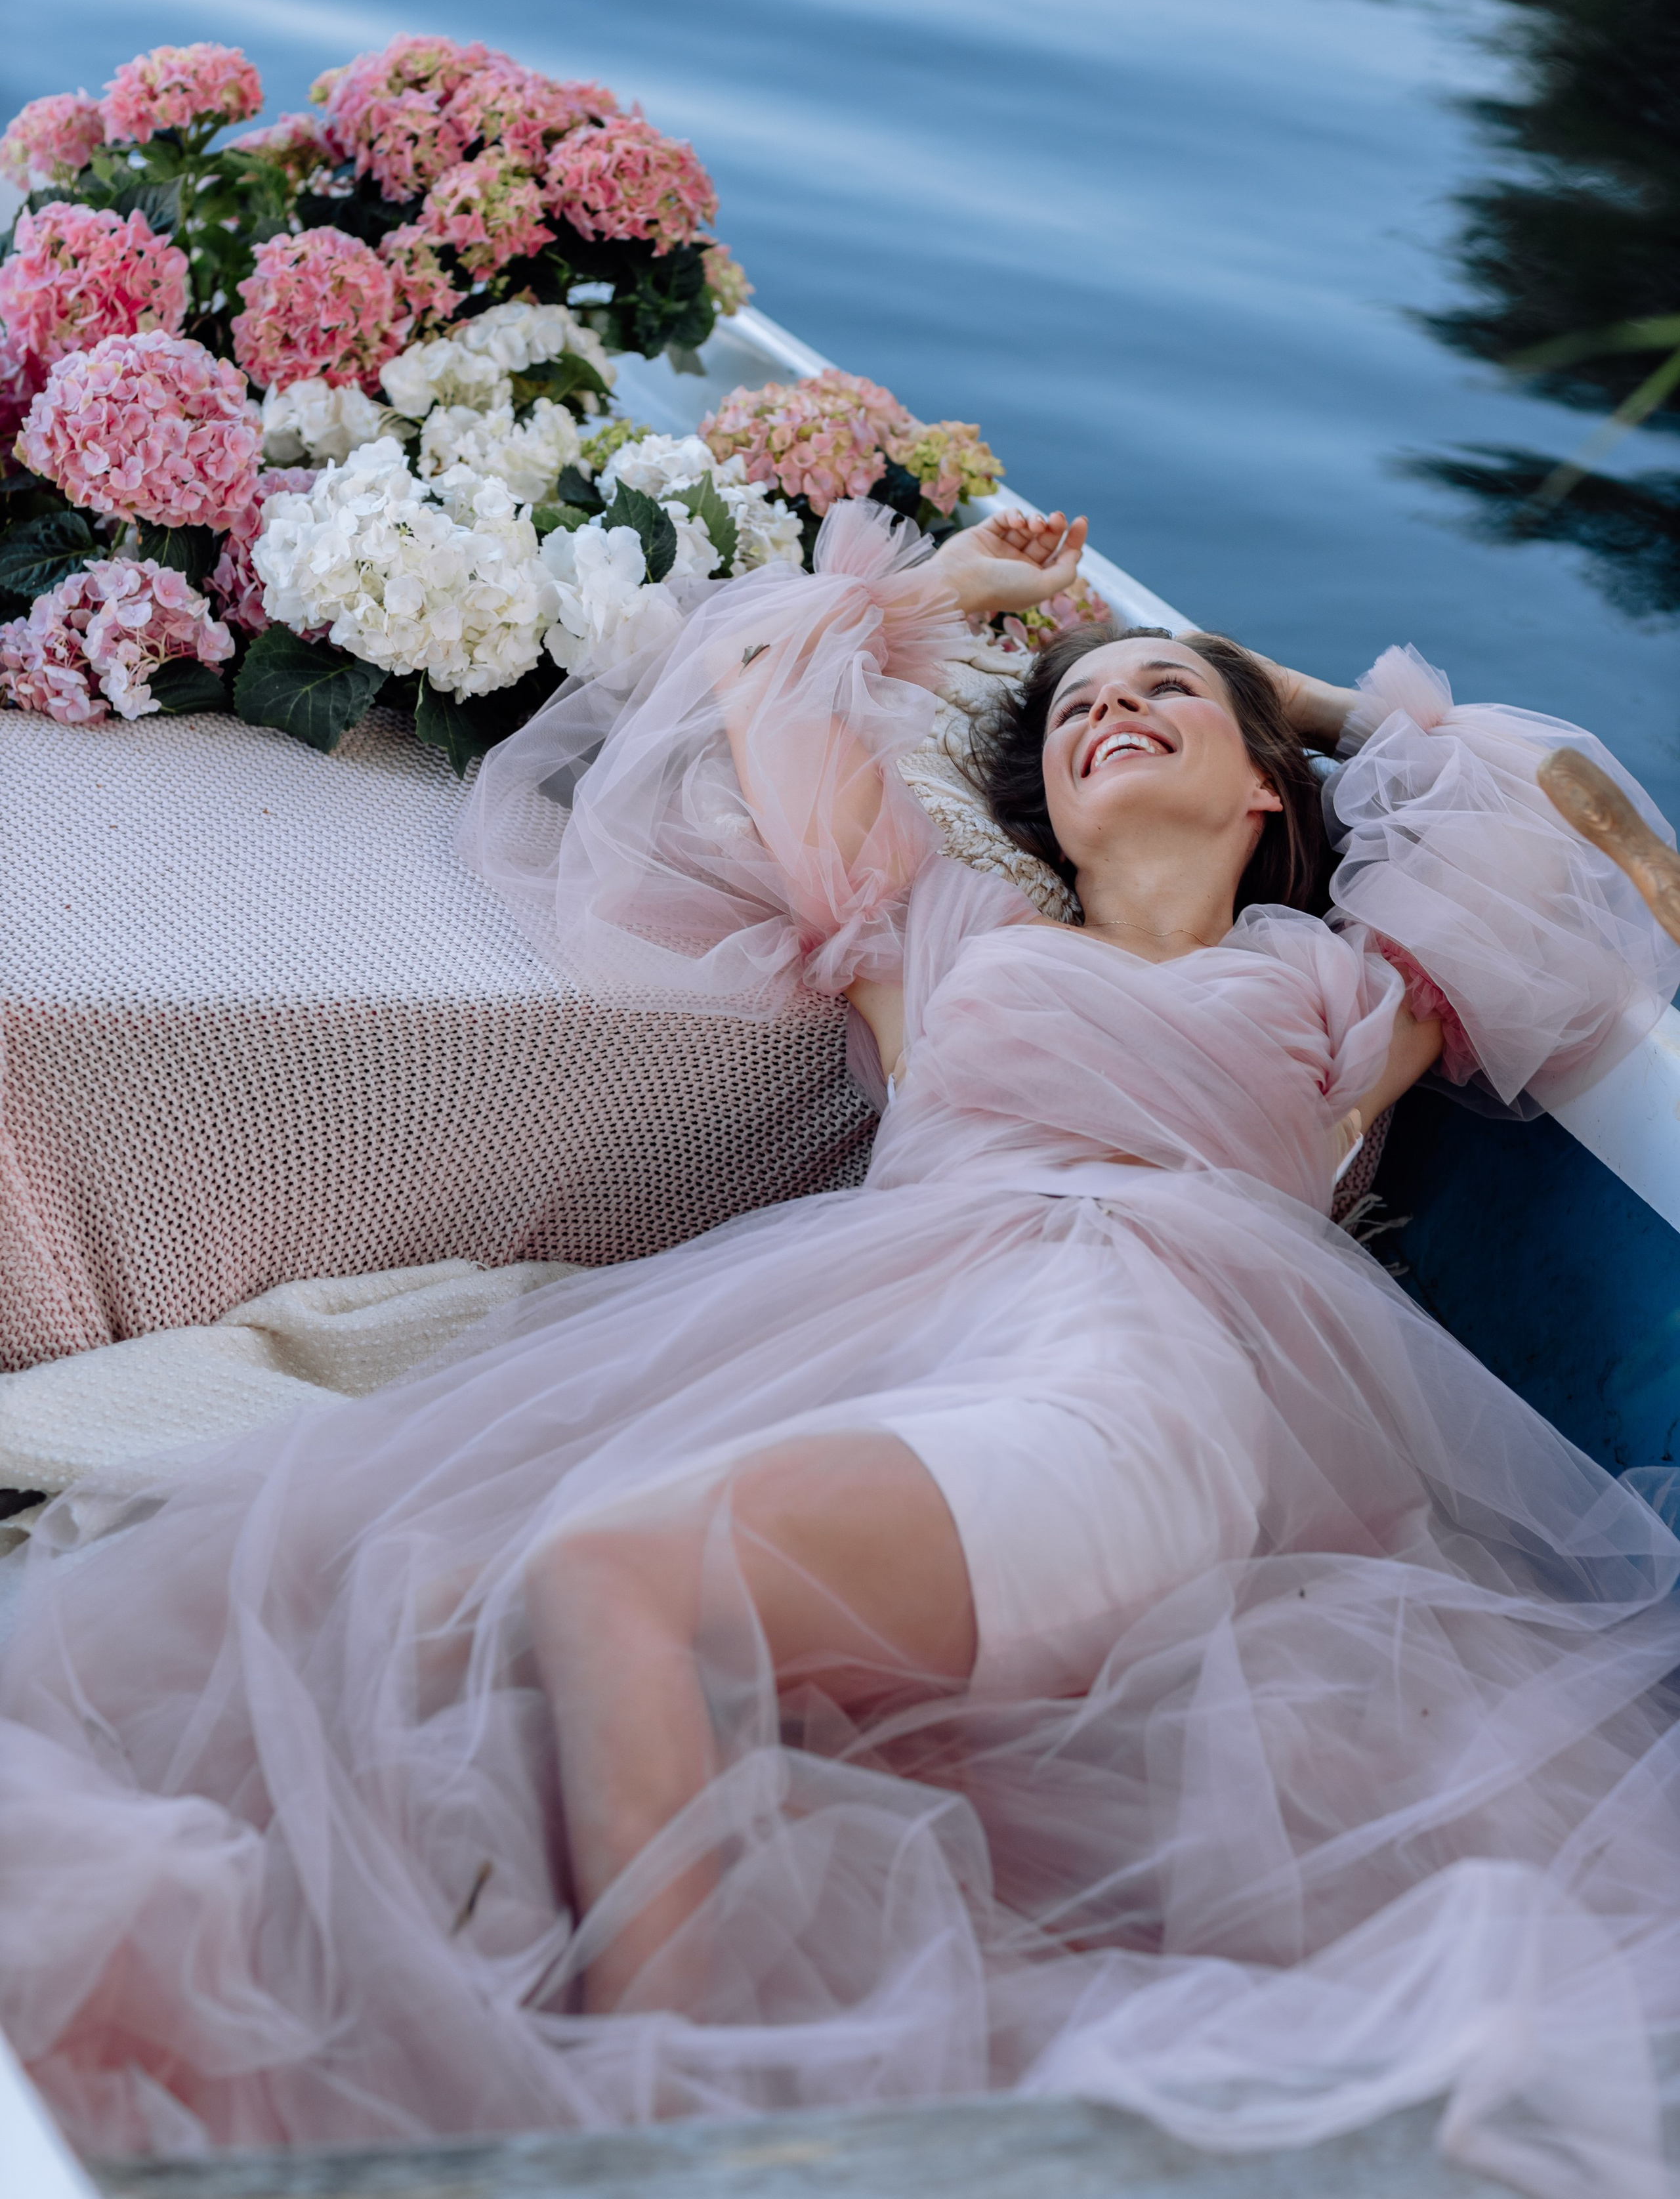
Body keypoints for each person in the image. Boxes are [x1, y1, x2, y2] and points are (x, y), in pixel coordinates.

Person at [1, 503, 1677, 2199]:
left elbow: (1518, 813)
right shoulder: (947, 940)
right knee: (433, 1618)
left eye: (1164, 694)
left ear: (1261, 790)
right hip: (875, 1342)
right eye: (1079, 709)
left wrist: (1288, 694)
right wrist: (942, 590)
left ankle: (664, 2139)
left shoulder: (1333, 993)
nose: (1111, 707)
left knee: (606, 1581)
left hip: (1122, 1371)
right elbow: (756, 671)